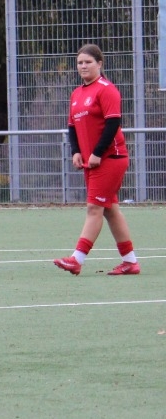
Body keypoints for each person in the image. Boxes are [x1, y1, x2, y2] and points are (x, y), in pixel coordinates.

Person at [54, 44, 139, 276]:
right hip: (91, 161)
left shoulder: (106, 89)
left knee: (94, 207)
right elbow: (72, 127)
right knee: (109, 209)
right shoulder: (76, 94)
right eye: (80, 62)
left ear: (99, 64)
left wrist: (97, 153)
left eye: (88, 62)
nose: (83, 66)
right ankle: (130, 262)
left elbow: (113, 124)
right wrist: (76, 151)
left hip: (111, 158)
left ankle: (76, 259)